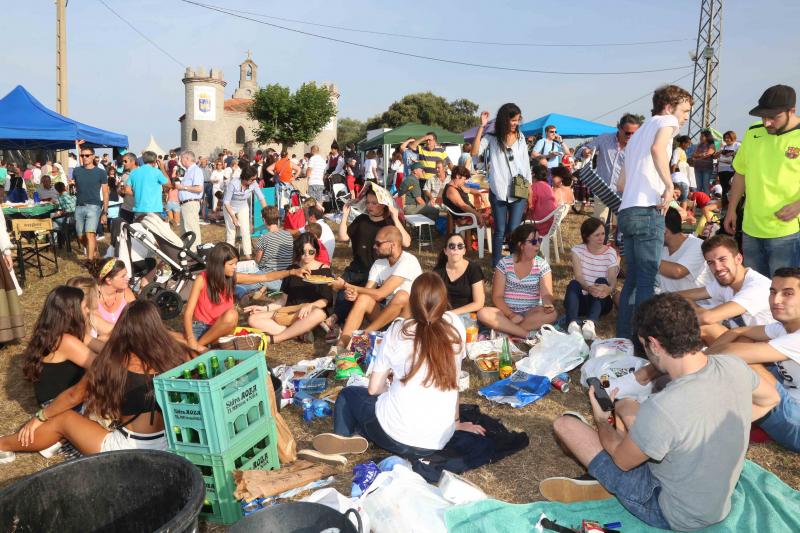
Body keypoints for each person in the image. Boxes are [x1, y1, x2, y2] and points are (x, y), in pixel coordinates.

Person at [541, 293, 780, 531]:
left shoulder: (664, 407)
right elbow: (771, 399)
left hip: (669, 510)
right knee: (628, 408)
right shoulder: (733, 365)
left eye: (644, 346)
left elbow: (622, 461)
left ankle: (605, 480)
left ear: (654, 344)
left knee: (566, 425)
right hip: (714, 503)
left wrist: (602, 421)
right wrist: (719, 422)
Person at [316, 273, 484, 459]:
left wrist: (390, 387)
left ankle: (342, 442)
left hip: (394, 436)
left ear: (412, 301)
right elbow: (453, 382)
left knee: (348, 395)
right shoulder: (456, 325)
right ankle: (360, 434)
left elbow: (373, 389)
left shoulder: (398, 330)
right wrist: (457, 423)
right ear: (444, 300)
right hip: (437, 441)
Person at [0, 301, 190, 463]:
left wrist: (38, 418)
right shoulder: (174, 357)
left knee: (64, 419)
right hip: (172, 443)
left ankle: (3, 445)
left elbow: (74, 396)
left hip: (131, 448)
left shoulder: (114, 362)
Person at [615, 85, 691, 341]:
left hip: (627, 211)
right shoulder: (667, 121)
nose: (685, 117)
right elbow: (658, 150)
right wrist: (668, 185)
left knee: (633, 279)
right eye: (684, 110)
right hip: (648, 210)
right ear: (669, 107)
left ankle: (625, 337)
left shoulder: (636, 135)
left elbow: (621, 185)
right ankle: (642, 342)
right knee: (647, 280)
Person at [707, 267, 800, 452]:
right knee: (743, 344)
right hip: (790, 397)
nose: (776, 300)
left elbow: (732, 352)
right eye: (773, 292)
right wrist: (733, 333)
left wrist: (695, 363)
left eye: (787, 294)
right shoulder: (783, 326)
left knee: (747, 364)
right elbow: (739, 331)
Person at [724, 85, 800, 277]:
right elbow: (741, 173)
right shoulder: (752, 132)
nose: (767, 123)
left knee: (785, 292)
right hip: (751, 229)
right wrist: (732, 208)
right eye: (763, 117)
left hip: (788, 232)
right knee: (756, 291)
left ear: (792, 111)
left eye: (773, 117)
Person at [184, 243, 309, 352]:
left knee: (232, 315)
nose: (235, 267)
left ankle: (199, 346)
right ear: (219, 265)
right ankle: (202, 346)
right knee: (172, 338)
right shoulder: (202, 279)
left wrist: (291, 272)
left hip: (221, 329)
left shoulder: (232, 277)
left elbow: (265, 277)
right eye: (231, 264)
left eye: (236, 263)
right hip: (200, 327)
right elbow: (188, 313)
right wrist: (190, 337)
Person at [333, 226, 422, 348]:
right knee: (364, 298)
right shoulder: (379, 263)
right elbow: (370, 292)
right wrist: (356, 294)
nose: (374, 246)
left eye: (378, 243)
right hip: (387, 317)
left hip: (408, 320)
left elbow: (381, 294)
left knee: (402, 296)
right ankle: (340, 345)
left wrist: (346, 285)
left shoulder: (408, 261)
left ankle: (364, 335)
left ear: (393, 245)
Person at [677, 235, 773, 345]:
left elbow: (708, 318)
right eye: (711, 263)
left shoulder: (757, 286)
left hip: (769, 353)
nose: (717, 268)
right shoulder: (725, 281)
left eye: (722, 259)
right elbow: (682, 296)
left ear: (738, 258)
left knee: (704, 327)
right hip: (746, 342)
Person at [472, 104, 532, 266]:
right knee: (499, 230)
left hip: (519, 190)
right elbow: (475, 152)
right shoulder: (492, 137)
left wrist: (529, 190)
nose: (515, 123)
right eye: (513, 120)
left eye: (518, 120)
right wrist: (482, 127)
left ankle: (513, 263)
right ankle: (496, 265)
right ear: (504, 119)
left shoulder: (520, 137)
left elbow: (525, 164)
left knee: (513, 229)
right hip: (498, 190)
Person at [245, 234, 333, 344]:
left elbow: (326, 300)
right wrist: (263, 308)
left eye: (311, 252)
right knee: (253, 319)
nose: (307, 255)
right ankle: (297, 333)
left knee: (318, 314)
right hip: (289, 312)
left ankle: (277, 338)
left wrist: (310, 306)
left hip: (311, 312)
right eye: (302, 252)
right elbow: (283, 300)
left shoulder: (324, 270)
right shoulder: (292, 269)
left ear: (316, 251)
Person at [477, 223, 556, 338]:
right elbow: (497, 297)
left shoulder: (542, 265)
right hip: (506, 312)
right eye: (533, 242)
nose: (538, 245)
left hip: (531, 313)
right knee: (483, 313)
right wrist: (511, 315)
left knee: (552, 315)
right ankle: (526, 334)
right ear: (521, 245)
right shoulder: (504, 264)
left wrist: (548, 303)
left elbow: (546, 295)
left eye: (539, 240)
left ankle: (506, 330)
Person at [22, 286, 93, 407]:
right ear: (72, 311)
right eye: (85, 307)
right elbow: (103, 365)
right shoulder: (65, 341)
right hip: (59, 405)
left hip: (62, 399)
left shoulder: (54, 333)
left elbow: (102, 346)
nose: (88, 311)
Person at [565, 218, 619, 341]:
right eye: (597, 235)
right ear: (586, 236)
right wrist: (589, 288)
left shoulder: (610, 252)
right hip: (581, 300)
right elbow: (578, 276)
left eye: (603, 234)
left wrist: (609, 289)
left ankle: (590, 323)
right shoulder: (577, 250)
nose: (601, 238)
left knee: (601, 281)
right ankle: (572, 324)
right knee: (574, 284)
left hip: (601, 301)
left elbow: (612, 278)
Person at [235, 206, 295, 299]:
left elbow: (258, 260)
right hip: (285, 276)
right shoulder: (288, 235)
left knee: (243, 278)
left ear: (264, 220)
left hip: (268, 276)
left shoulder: (264, 238)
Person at [657, 207, 709, 293]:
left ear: (664, 231)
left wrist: (644, 257)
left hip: (701, 305)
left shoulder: (698, 245)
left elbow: (677, 272)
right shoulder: (659, 247)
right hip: (669, 303)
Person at [222, 164, 267, 260]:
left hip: (243, 206)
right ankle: (230, 257)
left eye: (255, 179)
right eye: (252, 179)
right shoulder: (233, 183)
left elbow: (261, 198)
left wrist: (266, 212)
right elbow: (226, 202)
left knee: (245, 231)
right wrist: (233, 217)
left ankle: (248, 255)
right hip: (230, 207)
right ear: (245, 179)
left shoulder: (254, 184)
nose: (254, 181)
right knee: (231, 232)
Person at [433, 233, 485, 316]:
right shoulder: (438, 272)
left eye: (460, 246)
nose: (456, 249)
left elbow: (479, 303)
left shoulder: (474, 269)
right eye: (452, 246)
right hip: (444, 315)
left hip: (468, 315)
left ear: (464, 251)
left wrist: (451, 314)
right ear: (445, 251)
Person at [73, 146, 109, 260]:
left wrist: (105, 212)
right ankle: (94, 249)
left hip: (94, 206)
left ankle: (90, 261)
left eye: (87, 155)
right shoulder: (76, 171)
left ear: (93, 156)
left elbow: (105, 192)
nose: (84, 158)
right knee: (80, 236)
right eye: (82, 155)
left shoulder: (101, 172)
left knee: (90, 234)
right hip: (79, 206)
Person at [175, 151, 204, 251]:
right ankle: (187, 253)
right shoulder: (188, 171)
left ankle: (195, 252)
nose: (180, 161)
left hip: (191, 202)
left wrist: (183, 187)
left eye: (181, 158)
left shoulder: (196, 170)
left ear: (187, 159)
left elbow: (199, 188)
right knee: (184, 231)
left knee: (191, 228)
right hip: (185, 204)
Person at [125, 151, 169, 216]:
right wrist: (162, 168)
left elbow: (127, 190)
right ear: (155, 160)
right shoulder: (156, 172)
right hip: (154, 209)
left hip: (139, 209)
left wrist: (138, 193)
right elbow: (169, 184)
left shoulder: (134, 173)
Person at [95, 259, 136, 325]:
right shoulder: (93, 297)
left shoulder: (126, 292)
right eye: (123, 276)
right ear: (109, 280)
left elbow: (137, 316)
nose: (128, 278)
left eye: (126, 274)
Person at [527, 166, 557, 235]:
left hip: (539, 224)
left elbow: (530, 206)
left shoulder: (534, 187)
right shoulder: (548, 186)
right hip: (550, 222)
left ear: (533, 174)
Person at [689, 130, 716, 194]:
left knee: (705, 186)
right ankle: (699, 201)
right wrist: (700, 155)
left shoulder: (711, 145)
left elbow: (707, 154)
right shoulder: (699, 145)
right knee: (698, 186)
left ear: (707, 137)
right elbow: (693, 155)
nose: (700, 137)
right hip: (697, 168)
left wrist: (697, 157)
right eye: (700, 136)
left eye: (702, 136)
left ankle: (706, 201)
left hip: (707, 168)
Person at [716, 130, 740, 202]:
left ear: (733, 138)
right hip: (722, 169)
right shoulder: (723, 147)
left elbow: (741, 153)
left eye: (728, 138)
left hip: (731, 170)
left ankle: (731, 204)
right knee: (724, 188)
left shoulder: (737, 145)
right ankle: (724, 204)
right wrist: (719, 153)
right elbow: (716, 156)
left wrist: (732, 153)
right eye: (725, 138)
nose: (726, 139)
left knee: (731, 188)